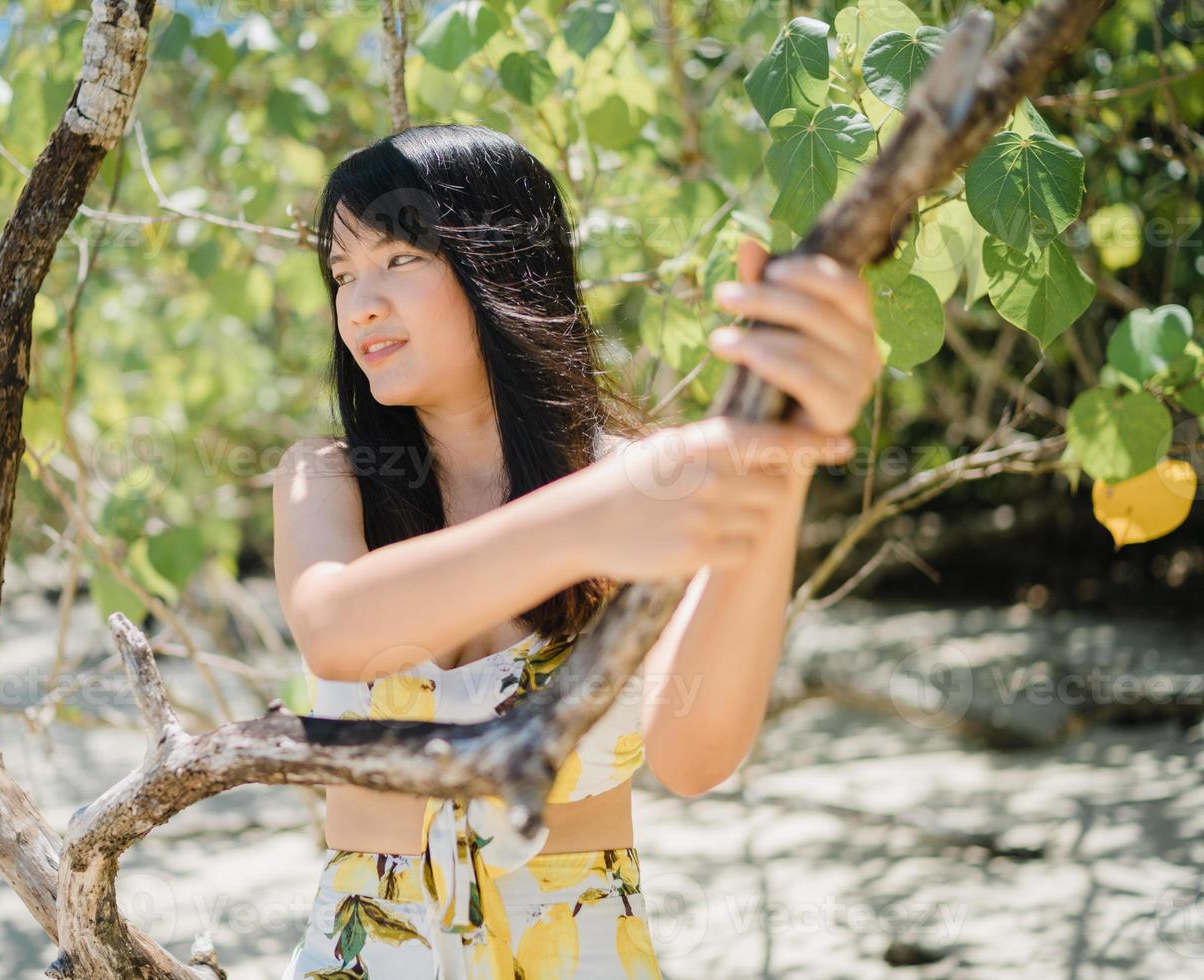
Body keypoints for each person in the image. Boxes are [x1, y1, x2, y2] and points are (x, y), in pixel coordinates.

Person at [272, 123, 881, 978]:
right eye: (343, 273)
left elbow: (695, 755)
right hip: (373, 947)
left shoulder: (632, 485)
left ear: (501, 265)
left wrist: (774, 462)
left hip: (579, 947)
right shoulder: (330, 477)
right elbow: (337, 625)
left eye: (400, 260)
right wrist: (596, 519)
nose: (359, 304)